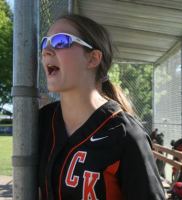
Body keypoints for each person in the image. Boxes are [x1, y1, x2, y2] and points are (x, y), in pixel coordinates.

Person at [38, 14, 165, 200]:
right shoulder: (43, 120)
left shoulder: (125, 134)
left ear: (93, 58)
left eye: (60, 41)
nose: (46, 50)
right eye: (44, 43)